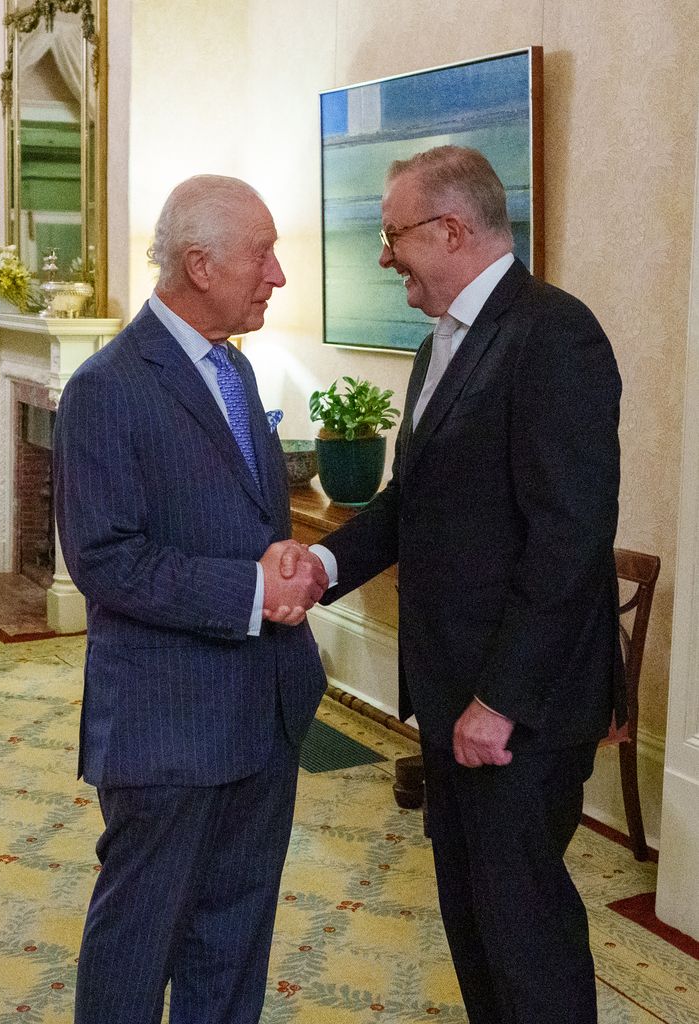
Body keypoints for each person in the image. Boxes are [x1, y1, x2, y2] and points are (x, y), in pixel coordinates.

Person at [287, 146, 623, 1024]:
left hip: (514, 706)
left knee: (523, 928)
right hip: (450, 692)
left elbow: (569, 538)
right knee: (469, 913)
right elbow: (412, 502)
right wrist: (320, 565)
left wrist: (500, 701)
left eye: (393, 233)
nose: (384, 254)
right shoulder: (440, 343)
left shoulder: (554, 334)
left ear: (451, 229)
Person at [53, 174, 329, 1024]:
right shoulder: (108, 386)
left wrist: (278, 564)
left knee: (234, 943)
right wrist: (251, 587)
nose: (277, 275)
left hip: (263, 710)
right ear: (202, 264)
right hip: (166, 725)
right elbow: (106, 559)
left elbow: (244, 520)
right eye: (264, 254)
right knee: (139, 944)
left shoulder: (237, 375)